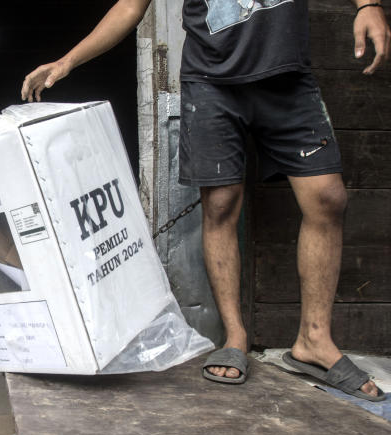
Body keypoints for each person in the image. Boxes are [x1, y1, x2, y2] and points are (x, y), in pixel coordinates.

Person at [21, 0, 387, 401]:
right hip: (211, 82)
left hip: (288, 77)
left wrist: (367, 4)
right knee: (221, 204)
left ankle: (314, 339)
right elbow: (130, 6)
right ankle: (235, 336)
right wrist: (68, 61)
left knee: (328, 198)